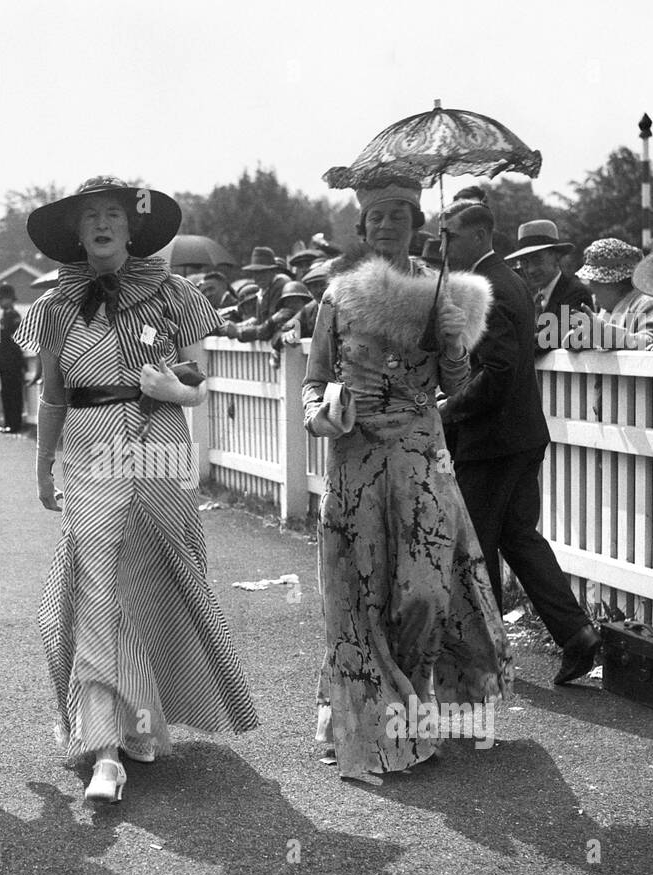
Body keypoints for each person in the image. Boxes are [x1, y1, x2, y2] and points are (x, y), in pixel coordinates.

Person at [19, 175, 258, 804]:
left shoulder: (172, 293)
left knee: (155, 573)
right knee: (98, 583)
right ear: (76, 231)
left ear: (132, 228)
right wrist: (44, 466)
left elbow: (198, 382)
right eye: (90, 216)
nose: (102, 225)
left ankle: (141, 721)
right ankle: (103, 751)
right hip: (91, 443)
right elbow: (51, 395)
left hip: (161, 443)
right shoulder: (52, 307)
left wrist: (171, 390)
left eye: (113, 216)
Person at [304, 180, 508, 784]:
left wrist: (450, 338)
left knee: (423, 588)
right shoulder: (338, 296)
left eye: (399, 215)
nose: (387, 225)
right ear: (362, 230)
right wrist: (320, 413)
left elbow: (458, 383)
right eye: (375, 217)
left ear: (419, 224)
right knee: (360, 584)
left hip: (421, 448)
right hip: (356, 452)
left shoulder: (451, 292)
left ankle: (417, 697)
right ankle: (365, 717)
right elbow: (314, 379)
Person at [438, 198, 602, 687]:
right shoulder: (500, 283)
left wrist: (451, 407)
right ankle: (577, 635)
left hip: (493, 441)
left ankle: (482, 655)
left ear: (481, 236)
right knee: (518, 538)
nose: (444, 244)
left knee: (476, 546)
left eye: (452, 235)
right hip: (518, 435)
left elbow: (501, 370)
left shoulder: (485, 287)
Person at [561, 239, 653, 351]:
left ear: (613, 282)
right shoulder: (607, 309)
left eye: (594, 280)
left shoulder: (651, 304)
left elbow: (651, 343)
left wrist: (602, 333)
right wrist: (579, 337)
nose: (590, 286)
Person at [505, 220, 591, 353]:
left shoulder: (576, 293)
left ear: (557, 257)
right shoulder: (533, 298)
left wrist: (511, 346)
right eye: (525, 262)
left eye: (537, 260)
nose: (531, 270)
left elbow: (558, 336)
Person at [0, 282, 26, 432]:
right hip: (5, 361)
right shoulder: (2, 317)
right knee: (6, 392)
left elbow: (15, 340)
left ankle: (14, 423)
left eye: (1, 298)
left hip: (12, 361)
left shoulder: (14, 317)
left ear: (9, 299)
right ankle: (9, 422)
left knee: (13, 393)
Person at [241, 246, 292, 324]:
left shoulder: (282, 286)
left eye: (262, 272)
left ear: (273, 271)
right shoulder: (262, 292)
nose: (258, 277)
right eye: (255, 273)